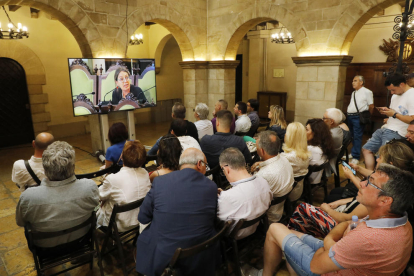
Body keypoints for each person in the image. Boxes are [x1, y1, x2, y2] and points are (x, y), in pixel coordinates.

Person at [244, 164, 414, 276]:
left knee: (274, 228)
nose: (362, 183)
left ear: (385, 201)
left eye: (370, 182)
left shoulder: (369, 238)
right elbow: (348, 223)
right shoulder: (401, 221)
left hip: (326, 266)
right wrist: (331, 242)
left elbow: (316, 265)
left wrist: (328, 241)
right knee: (288, 232)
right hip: (341, 254)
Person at [135, 148, 219, 276]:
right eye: (205, 166)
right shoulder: (211, 187)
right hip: (200, 254)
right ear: (199, 164)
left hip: (164, 255)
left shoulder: (160, 182)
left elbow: (143, 217)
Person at [16, 141, 99, 248]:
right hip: (82, 240)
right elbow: (96, 207)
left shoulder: (28, 197)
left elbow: (20, 222)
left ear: (45, 169)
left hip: (45, 248)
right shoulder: (90, 187)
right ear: (73, 167)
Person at [326, 141, 414, 203]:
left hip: (363, 199)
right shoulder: (395, 174)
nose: (377, 159)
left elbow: (367, 192)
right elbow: (372, 174)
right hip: (358, 194)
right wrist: (359, 169)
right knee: (335, 192)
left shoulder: (389, 183)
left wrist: (351, 176)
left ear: (390, 164)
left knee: (331, 198)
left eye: (380, 157)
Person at [217, 148, 272, 240]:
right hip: (256, 227)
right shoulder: (264, 182)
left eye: (222, 170)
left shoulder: (227, 197)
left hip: (236, 236)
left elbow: (220, 223)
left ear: (226, 169)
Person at [363, 73, 414, 170]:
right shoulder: (395, 95)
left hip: (397, 132)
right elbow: (396, 112)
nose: (392, 93)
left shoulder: (412, 95)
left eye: (393, 89)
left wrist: (394, 115)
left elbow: (412, 119)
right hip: (387, 128)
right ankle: (370, 176)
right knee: (366, 149)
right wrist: (389, 116)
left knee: (382, 158)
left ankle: (377, 182)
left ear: (402, 84)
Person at [97, 140, 151, 231]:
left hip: (119, 225)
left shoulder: (113, 179)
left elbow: (99, 196)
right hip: (140, 220)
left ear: (121, 157)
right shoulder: (145, 173)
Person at [252, 131, 294, 223]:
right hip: (281, 209)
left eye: (257, 147)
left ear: (262, 151)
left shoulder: (263, 175)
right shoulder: (285, 160)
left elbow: (253, 200)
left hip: (267, 217)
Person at [347, 75, 374, 164]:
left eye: (355, 81)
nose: (352, 82)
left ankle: (356, 157)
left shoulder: (367, 92)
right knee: (352, 136)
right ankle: (353, 152)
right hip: (350, 116)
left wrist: (367, 116)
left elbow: (371, 105)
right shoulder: (354, 92)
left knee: (357, 136)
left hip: (358, 117)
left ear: (361, 82)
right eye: (352, 81)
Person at [280, 122, 310, 201]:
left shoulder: (287, 157)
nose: (285, 134)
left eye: (287, 132)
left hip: (287, 194)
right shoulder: (305, 153)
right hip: (298, 190)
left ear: (290, 137)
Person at [306, 118, 335, 184]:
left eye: (307, 130)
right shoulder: (324, 144)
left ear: (315, 133)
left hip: (308, 181)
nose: (304, 132)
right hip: (317, 178)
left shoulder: (312, 150)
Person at [323, 108, 344, 176]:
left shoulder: (331, 135)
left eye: (324, 118)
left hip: (326, 163)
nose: (322, 120)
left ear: (331, 121)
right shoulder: (338, 129)